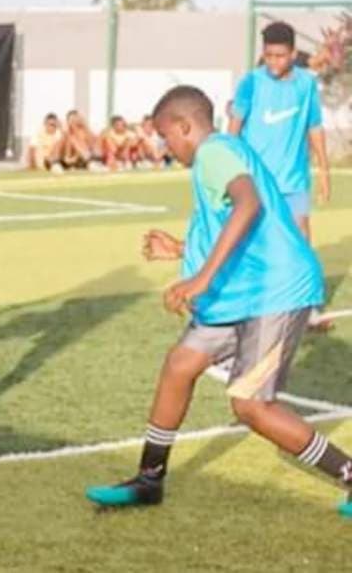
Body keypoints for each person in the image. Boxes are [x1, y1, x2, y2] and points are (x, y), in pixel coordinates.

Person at [86, 85, 352, 518]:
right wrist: (181, 249)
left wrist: (201, 278)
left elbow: (249, 204)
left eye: (165, 136)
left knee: (251, 406)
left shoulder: (213, 153)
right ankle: (149, 479)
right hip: (241, 291)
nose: (164, 146)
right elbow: (235, 223)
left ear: (183, 126)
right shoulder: (223, 152)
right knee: (180, 364)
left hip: (273, 291)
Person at [228, 21, 331, 328]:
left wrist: (324, 171)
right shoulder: (251, 82)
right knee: (253, 241)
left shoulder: (306, 84)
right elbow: (234, 129)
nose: (273, 62)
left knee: (300, 241)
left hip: (294, 180)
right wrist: (229, 170)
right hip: (256, 181)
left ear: (293, 54)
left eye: (280, 56)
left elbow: (315, 127)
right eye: (268, 55)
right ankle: (249, 306)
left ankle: (307, 307)